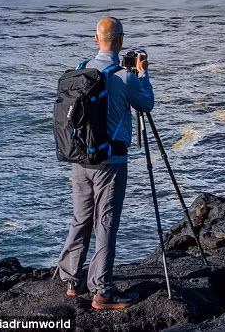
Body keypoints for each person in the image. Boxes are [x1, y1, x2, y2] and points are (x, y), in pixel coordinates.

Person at [57, 16, 154, 310]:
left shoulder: (81, 70)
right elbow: (146, 104)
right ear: (121, 40)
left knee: (81, 218)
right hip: (111, 161)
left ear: (96, 39)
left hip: (80, 158)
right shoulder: (124, 77)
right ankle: (103, 291)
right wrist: (142, 74)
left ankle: (72, 280)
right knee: (106, 222)